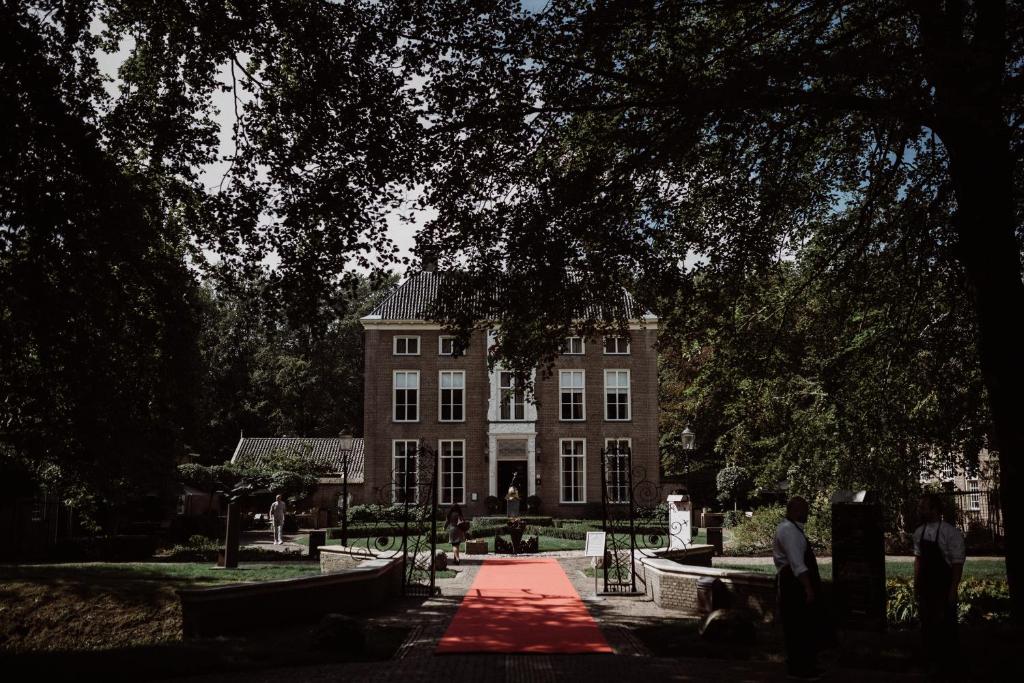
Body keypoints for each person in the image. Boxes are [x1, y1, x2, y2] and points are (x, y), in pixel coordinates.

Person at [913, 493, 965, 676]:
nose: (920, 509)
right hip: (926, 587)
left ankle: (950, 668)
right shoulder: (919, 533)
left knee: (946, 628)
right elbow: (918, 560)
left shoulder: (950, 533)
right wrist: (916, 585)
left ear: (934, 509)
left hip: (942, 587)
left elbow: (957, 563)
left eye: (923, 506)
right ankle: (929, 663)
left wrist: (952, 589)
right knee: (927, 626)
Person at [773, 496, 824, 679]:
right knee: (798, 627)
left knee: (802, 626)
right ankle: (801, 669)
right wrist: (808, 588)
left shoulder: (792, 529)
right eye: (805, 510)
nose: (808, 513)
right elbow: (797, 564)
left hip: (793, 583)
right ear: (795, 511)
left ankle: (803, 664)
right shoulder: (789, 531)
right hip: (794, 585)